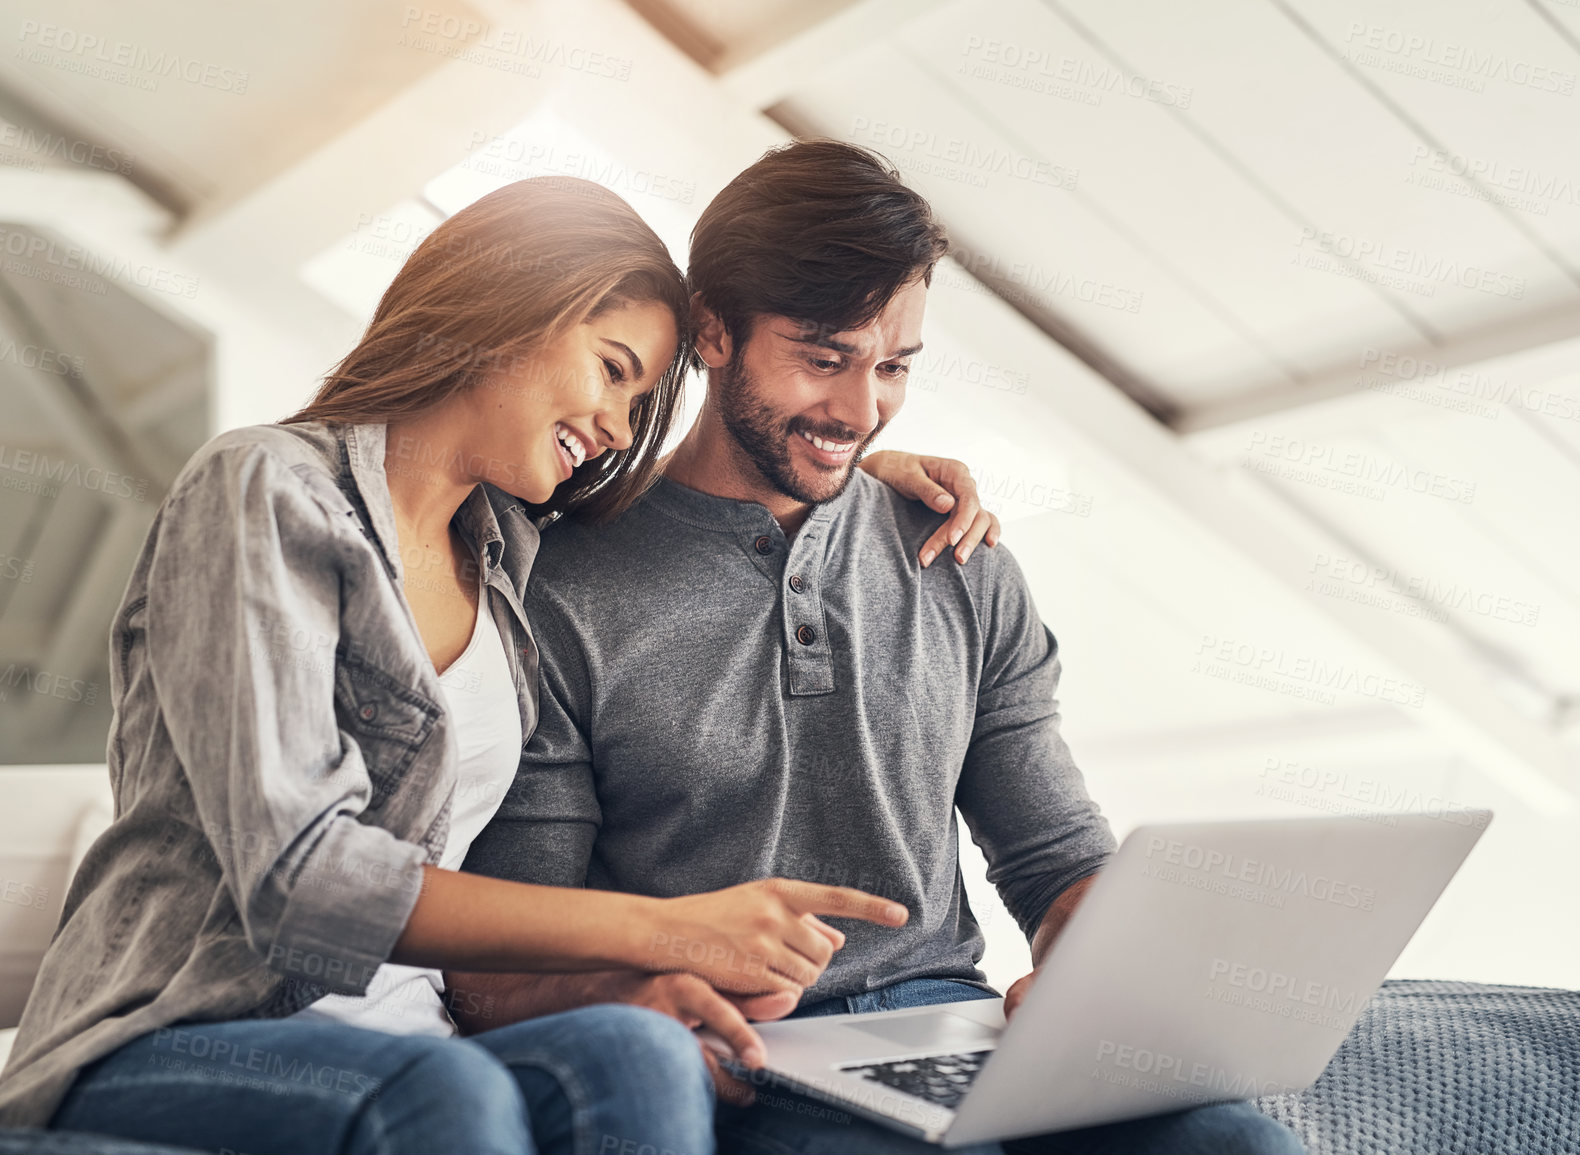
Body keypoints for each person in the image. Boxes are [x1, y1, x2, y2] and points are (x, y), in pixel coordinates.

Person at [0, 174, 1000, 1155]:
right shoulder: (264, 486)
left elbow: (701, 519)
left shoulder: (512, 556)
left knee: (635, 1056)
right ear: (507, 313)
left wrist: (851, 472)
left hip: (413, 1041)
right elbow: (302, 883)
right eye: (612, 369)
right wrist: (667, 932)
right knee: (444, 1088)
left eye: (640, 395)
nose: (616, 426)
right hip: (191, 1027)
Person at [449, 142, 1309, 1154]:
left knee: (1237, 1145)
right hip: (754, 1056)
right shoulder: (561, 592)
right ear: (714, 330)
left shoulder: (957, 556)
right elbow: (502, 958)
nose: (861, 412)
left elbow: (1057, 856)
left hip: (957, 1024)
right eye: (825, 358)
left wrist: (1095, 972)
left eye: (893, 366)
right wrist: (644, 996)